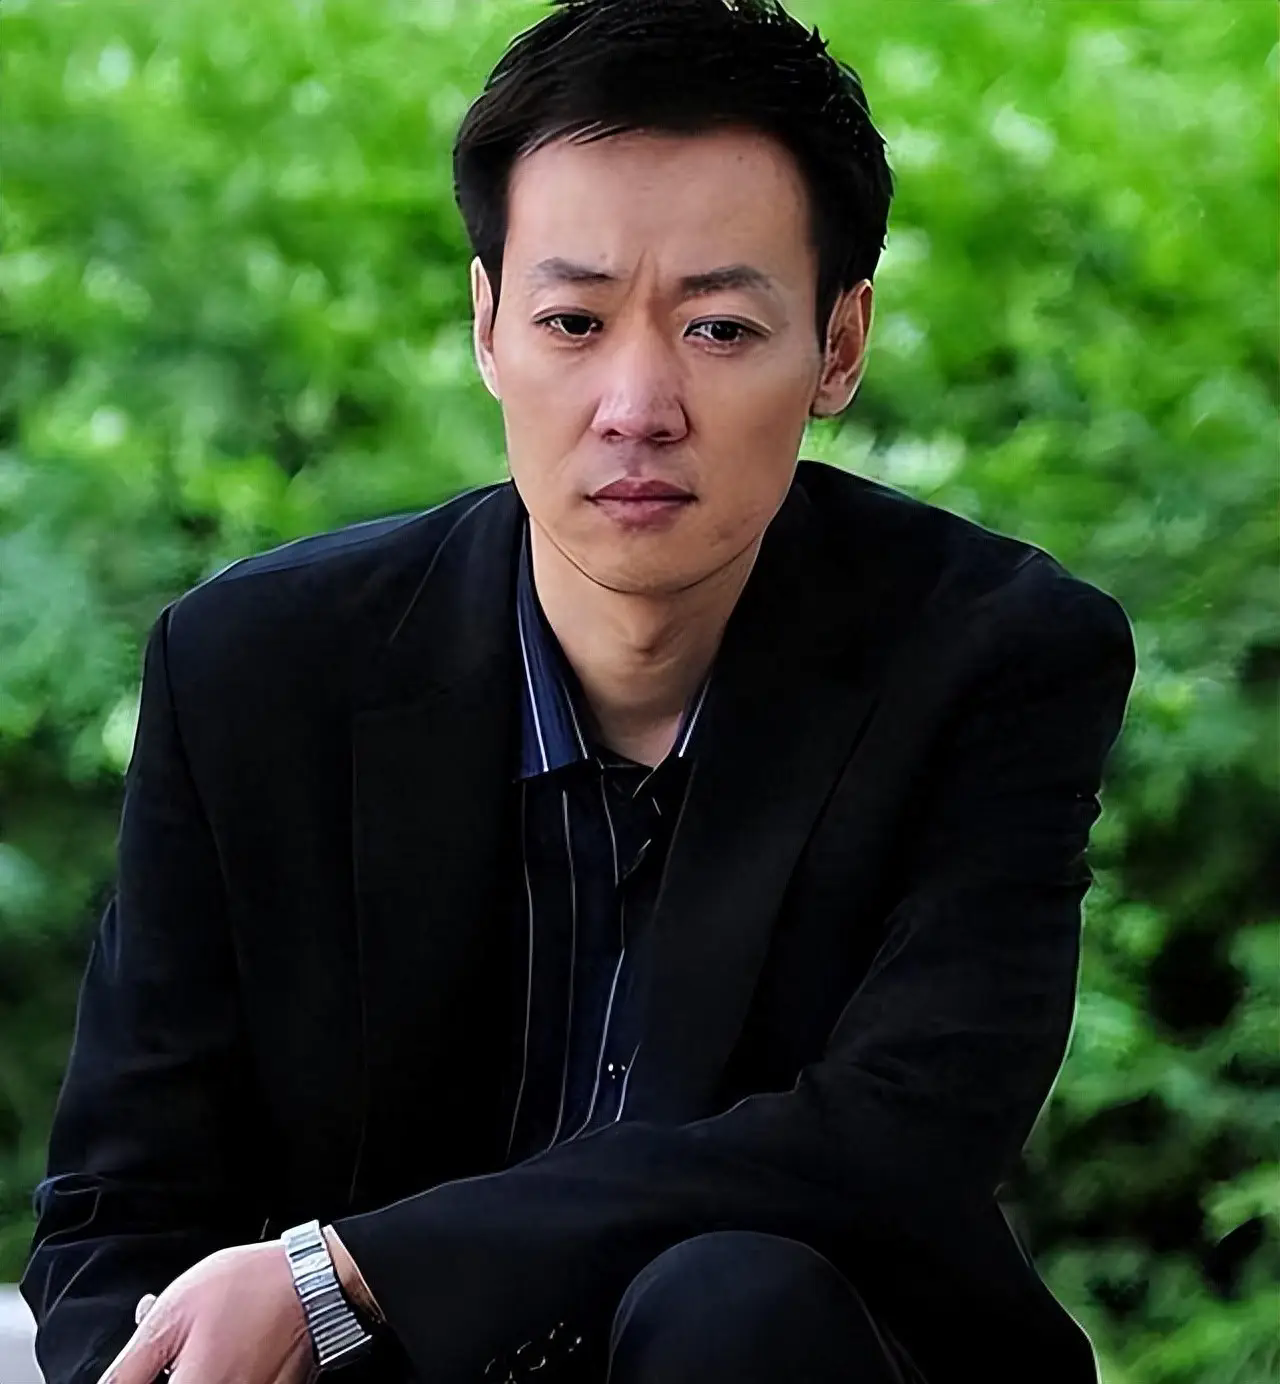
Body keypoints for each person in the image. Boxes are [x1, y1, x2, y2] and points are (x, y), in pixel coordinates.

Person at [19, 1, 1138, 1381]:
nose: (636, 404)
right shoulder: (255, 669)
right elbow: (121, 1212)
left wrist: (353, 1273)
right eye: (573, 319)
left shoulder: (993, 659)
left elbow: (898, 1137)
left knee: (734, 1296)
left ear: (840, 346)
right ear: (487, 326)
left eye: (720, 328)